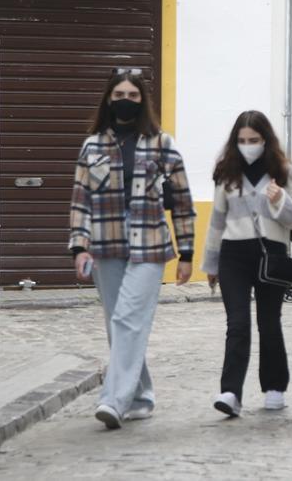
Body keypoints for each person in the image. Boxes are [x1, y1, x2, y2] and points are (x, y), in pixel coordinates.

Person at [69, 69, 196, 430]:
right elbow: (81, 202)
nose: (126, 99)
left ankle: (113, 400)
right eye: (119, 93)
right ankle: (141, 396)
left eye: (134, 95)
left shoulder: (163, 144)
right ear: (109, 99)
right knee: (117, 325)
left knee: (129, 319)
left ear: (143, 102)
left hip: (150, 245)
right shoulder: (91, 146)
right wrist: (79, 247)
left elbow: (183, 202)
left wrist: (186, 253)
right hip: (105, 245)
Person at [202, 111, 292, 417]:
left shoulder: (285, 172)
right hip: (233, 255)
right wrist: (211, 263)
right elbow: (217, 219)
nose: (248, 145)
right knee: (237, 324)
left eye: (254, 140)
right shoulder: (227, 172)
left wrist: (280, 201)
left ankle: (275, 387)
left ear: (266, 140)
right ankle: (230, 392)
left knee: (269, 323)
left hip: (271, 254)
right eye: (242, 141)